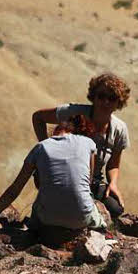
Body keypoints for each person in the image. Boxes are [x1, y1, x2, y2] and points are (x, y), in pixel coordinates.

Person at [0, 115, 105, 232]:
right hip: (81, 218)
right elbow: (87, 184)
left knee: (38, 204)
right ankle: (103, 228)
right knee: (97, 214)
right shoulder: (88, 143)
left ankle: (34, 232)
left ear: (56, 129)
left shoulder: (40, 147)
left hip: (48, 219)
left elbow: (14, 190)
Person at [31, 73, 130, 219]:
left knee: (115, 209)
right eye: (101, 96)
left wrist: (113, 184)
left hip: (93, 181)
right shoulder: (74, 113)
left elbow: (113, 164)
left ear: (119, 102)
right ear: (93, 97)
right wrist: (46, 150)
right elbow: (38, 117)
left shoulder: (119, 129)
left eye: (112, 98)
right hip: (61, 173)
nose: (106, 102)